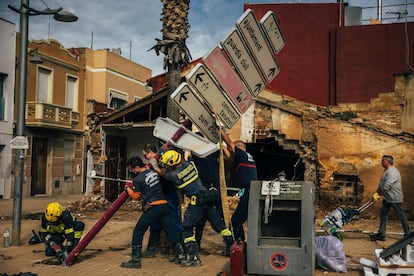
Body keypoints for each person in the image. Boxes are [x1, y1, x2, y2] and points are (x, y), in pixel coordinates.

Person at [159, 150, 234, 266]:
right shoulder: (189, 165)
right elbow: (181, 160)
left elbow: (162, 172)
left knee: (187, 228)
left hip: (197, 201)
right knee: (219, 225)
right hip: (207, 197)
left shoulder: (174, 176)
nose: (167, 167)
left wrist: (154, 163)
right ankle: (231, 248)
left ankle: (194, 258)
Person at [121, 156, 186, 269]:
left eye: (131, 169)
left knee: (138, 230)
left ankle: (135, 260)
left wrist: (127, 188)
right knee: (171, 231)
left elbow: (136, 196)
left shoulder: (138, 179)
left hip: (153, 207)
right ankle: (181, 255)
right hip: (164, 206)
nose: (131, 171)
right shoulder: (152, 172)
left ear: (136, 168)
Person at [141, 144, 182, 258]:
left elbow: (167, 175)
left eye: (146, 156)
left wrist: (156, 167)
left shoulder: (165, 159)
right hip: (158, 196)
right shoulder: (152, 164)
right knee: (155, 222)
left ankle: (179, 250)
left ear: (150, 153)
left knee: (173, 222)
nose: (146, 158)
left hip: (169, 194)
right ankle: (152, 249)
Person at [221, 129, 257, 242]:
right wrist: (220, 146)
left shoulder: (241, 153)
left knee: (236, 220)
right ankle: (241, 243)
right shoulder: (246, 158)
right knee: (242, 219)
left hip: (249, 192)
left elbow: (229, 144)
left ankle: (240, 243)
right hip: (250, 191)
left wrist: (220, 131)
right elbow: (229, 159)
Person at [370, 155, 410, 241]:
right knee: (383, 215)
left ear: (388, 162)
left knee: (401, 216)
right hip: (387, 198)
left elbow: (386, 187)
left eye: (383, 161)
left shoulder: (392, 172)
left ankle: (408, 234)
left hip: (395, 198)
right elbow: (381, 184)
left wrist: (379, 195)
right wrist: (376, 193)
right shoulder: (386, 171)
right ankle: (381, 234)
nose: (381, 162)